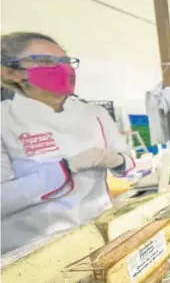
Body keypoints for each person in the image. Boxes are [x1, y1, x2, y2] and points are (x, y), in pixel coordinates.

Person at [0, 32, 136, 254]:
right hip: (33, 250)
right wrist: (65, 168)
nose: (63, 69)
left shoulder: (94, 114)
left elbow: (131, 164)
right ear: (11, 72)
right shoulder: (5, 121)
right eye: (46, 61)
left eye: (65, 61)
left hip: (101, 236)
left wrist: (117, 159)